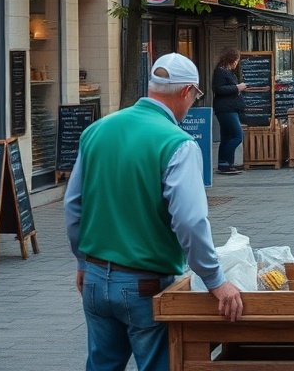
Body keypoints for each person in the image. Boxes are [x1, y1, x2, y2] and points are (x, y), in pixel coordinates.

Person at [65, 53, 243, 371]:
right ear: (187, 91)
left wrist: (82, 259)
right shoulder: (178, 143)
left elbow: (73, 204)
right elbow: (189, 220)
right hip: (143, 283)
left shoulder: (97, 131)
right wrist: (215, 279)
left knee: (102, 364)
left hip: (94, 277)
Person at [211, 48, 247, 176]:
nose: (237, 63)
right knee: (237, 136)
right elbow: (218, 89)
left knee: (226, 137)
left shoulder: (229, 72)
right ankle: (226, 160)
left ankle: (225, 164)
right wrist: (237, 88)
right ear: (231, 60)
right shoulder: (220, 72)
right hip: (225, 109)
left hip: (231, 107)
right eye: (236, 61)